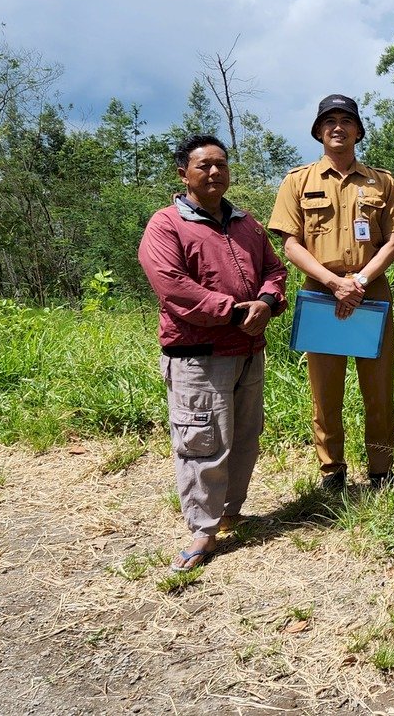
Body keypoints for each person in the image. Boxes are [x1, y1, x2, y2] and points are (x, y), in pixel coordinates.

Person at [138, 135, 287, 572]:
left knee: (243, 434)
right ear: (183, 173)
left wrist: (267, 302)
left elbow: (274, 270)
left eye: (221, 164)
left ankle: (230, 510)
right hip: (199, 355)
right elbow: (172, 286)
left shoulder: (246, 223)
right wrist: (234, 311)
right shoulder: (166, 225)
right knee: (203, 441)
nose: (215, 172)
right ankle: (203, 531)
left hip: (247, 350)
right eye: (204, 166)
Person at [268, 94, 394, 492]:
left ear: (358, 131)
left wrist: (359, 282)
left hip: (371, 297)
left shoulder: (382, 182)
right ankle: (332, 471)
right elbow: (291, 244)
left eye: (346, 119)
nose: (337, 126)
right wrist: (334, 283)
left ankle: (381, 470)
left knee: (378, 391)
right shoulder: (298, 181)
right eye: (328, 120)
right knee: (325, 394)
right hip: (321, 295)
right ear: (317, 131)